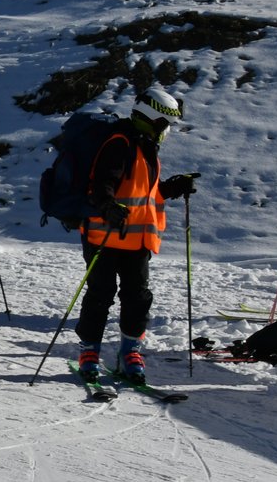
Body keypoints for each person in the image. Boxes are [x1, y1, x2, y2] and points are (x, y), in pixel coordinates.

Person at [72, 87, 196, 384]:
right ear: (152, 118)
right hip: (105, 235)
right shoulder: (120, 143)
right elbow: (102, 184)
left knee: (137, 298)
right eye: (164, 123)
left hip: (136, 240)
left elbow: (144, 193)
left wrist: (172, 187)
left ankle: (130, 351)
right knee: (100, 296)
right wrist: (107, 206)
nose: (167, 130)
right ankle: (89, 351)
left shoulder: (146, 146)